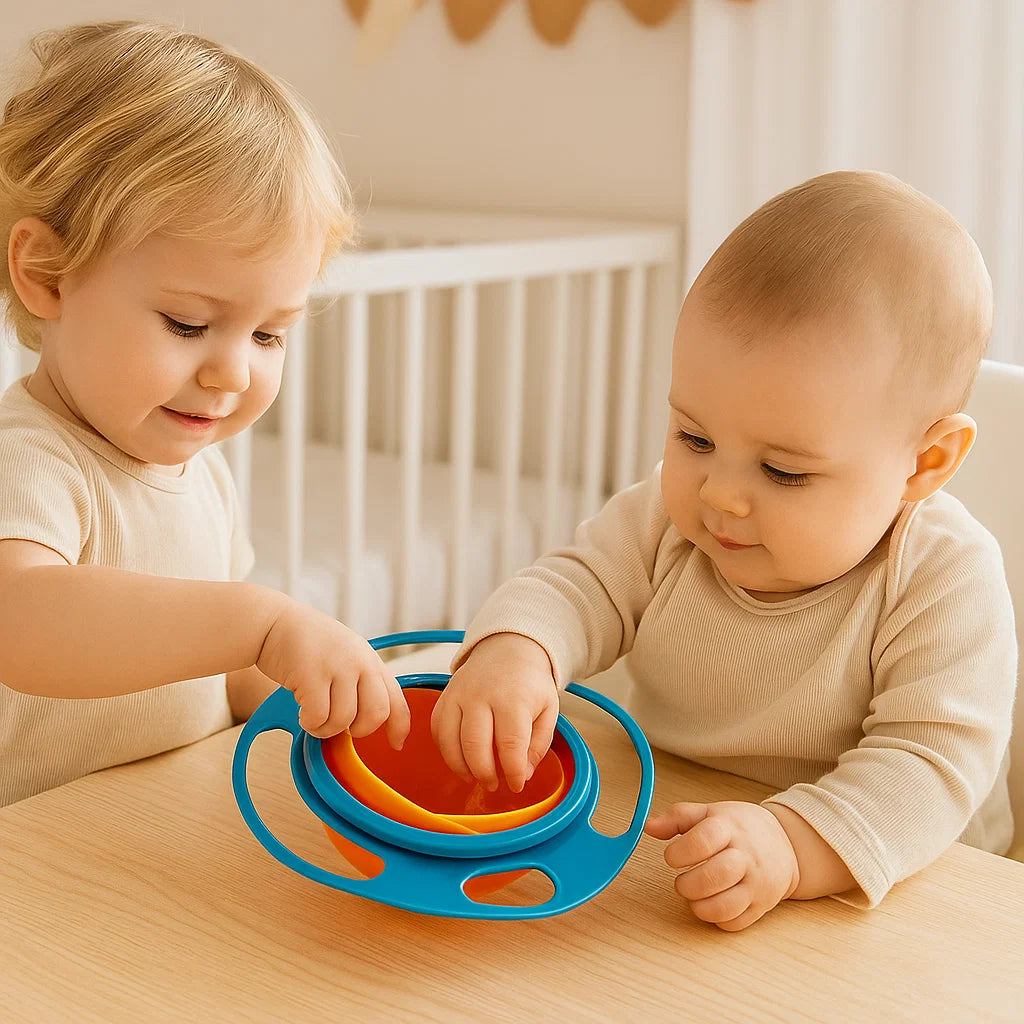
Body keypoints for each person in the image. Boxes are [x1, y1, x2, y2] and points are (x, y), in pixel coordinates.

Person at [432, 170, 1017, 930]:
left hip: (897, 885)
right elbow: (577, 586)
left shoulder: (943, 575)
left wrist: (792, 844)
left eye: (783, 471)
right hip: (676, 833)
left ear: (924, 464)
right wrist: (518, 650)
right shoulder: (664, 519)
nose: (720, 495)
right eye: (695, 437)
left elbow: (930, 769)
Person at [0, 20, 410, 807]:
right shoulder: (26, 460)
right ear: (47, 273)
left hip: (168, 816)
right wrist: (258, 621)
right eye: (188, 324)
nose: (233, 372)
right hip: (37, 845)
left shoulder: (203, 475)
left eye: (269, 335)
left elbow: (224, 668)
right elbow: (20, 622)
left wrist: (315, 697)